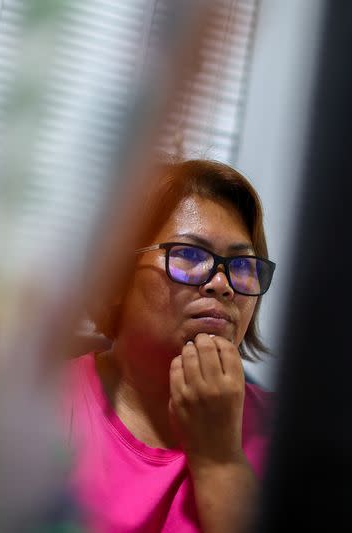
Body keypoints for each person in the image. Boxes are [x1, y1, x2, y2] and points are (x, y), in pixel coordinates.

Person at [63, 158, 276, 533]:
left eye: (242, 264)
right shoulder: (45, 405)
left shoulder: (287, 434)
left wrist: (219, 460)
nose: (222, 284)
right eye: (190, 255)